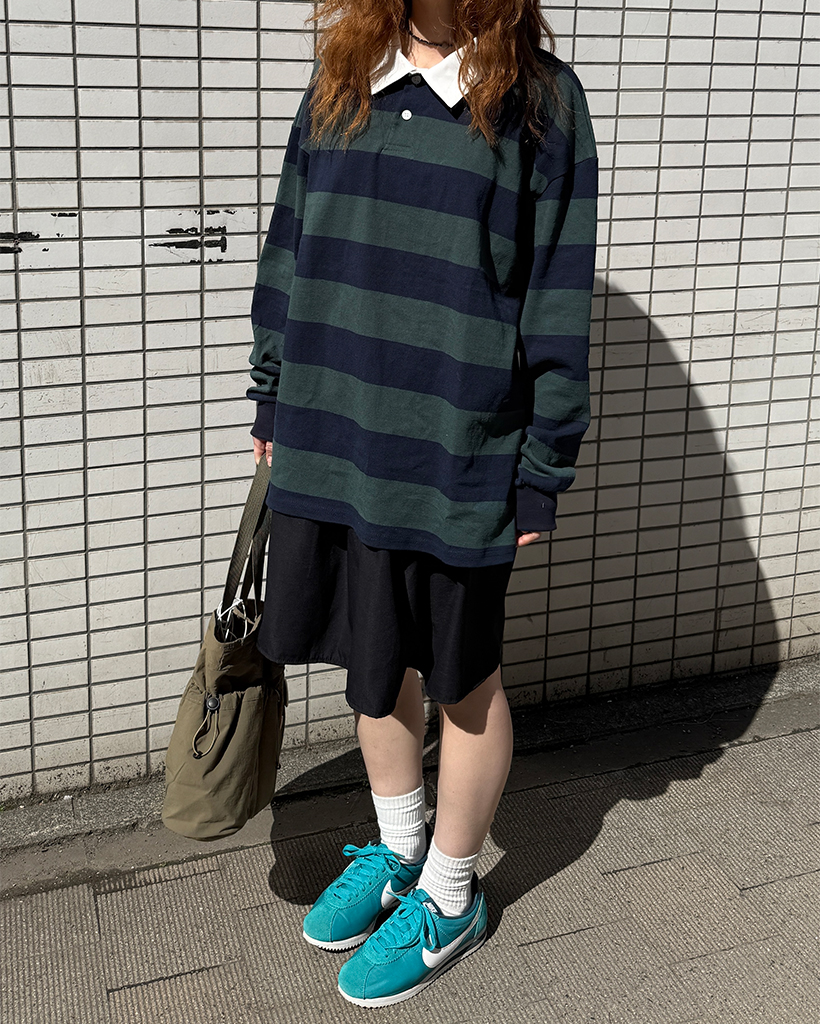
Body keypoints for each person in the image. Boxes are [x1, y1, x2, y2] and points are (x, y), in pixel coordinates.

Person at [246, 0, 597, 1007]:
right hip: (336, 427)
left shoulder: (540, 101)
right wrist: (273, 388)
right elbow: (290, 238)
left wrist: (542, 462)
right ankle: (402, 854)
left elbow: (555, 292)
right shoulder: (343, 75)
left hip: (458, 446)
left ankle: (451, 896)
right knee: (373, 659)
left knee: (463, 678)